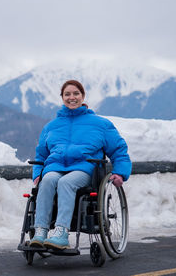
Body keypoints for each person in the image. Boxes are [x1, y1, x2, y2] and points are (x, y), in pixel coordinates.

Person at [30, 79, 132, 250]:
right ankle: (40, 231)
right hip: (55, 167)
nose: (72, 97)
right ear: (62, 97)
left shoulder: (101, 124)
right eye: (67, 94)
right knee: (47, 181)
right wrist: (38, 172)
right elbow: (41, 154)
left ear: (83, 96)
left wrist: (120, 172)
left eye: (76, 93)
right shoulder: (51, 126)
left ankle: (61, 233)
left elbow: (118, 150)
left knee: (66, 182)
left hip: (84, 168)